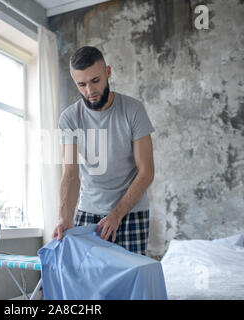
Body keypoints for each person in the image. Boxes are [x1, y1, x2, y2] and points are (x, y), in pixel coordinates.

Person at [52, 46, 155, 256]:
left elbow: (146, 171)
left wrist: (116, 215)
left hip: (131, 213)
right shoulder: (69, 118)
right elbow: (71, 174)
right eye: (82, 84)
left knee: (127, 283)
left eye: (95, 81)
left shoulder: (134, 110)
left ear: (108, 72)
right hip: (88, 212)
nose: (90, 91)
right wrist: (64, 218)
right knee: (89, 283)